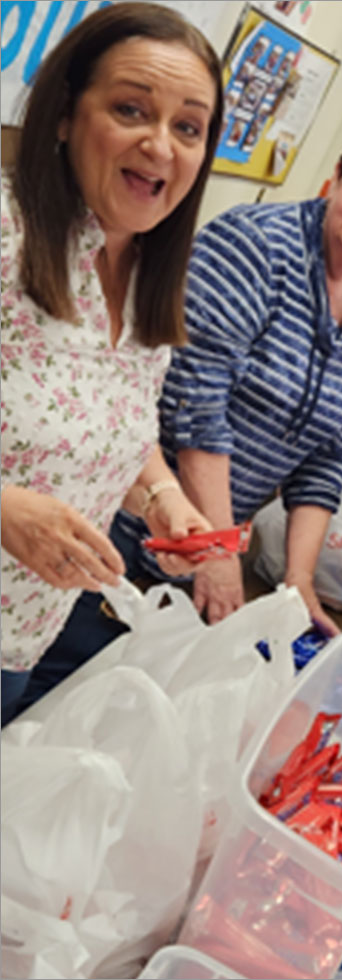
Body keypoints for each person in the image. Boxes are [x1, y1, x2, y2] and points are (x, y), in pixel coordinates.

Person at [112, 105, 342, 636]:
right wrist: (219, 550)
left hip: (207, 544)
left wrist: (299, 579)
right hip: (128, 513)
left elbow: (330, 453)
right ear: (339, 173)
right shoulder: (254, 246)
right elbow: (195, 408)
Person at [0, 2, 224, 722]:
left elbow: (111, 427)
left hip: (21, 640)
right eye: (132, 109)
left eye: (189, 127)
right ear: (65, 115)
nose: (162, 145)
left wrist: (167, 503)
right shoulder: (7, 233)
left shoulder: (150, 276)